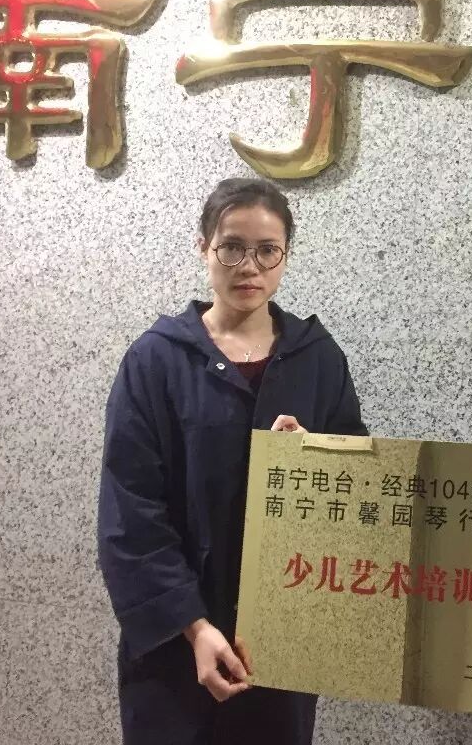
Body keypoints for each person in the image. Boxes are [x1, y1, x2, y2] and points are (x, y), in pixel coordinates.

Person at [97, 178, 366, 745]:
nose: (249, 266)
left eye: (267, 250)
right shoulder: (156, 360)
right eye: (232, 247)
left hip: (282, 637)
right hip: (176, 645)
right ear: (204, 248)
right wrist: (194, 628)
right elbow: (131, 513)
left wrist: (314, 458)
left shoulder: (318, 359)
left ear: (286, 255)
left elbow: (359, 488)